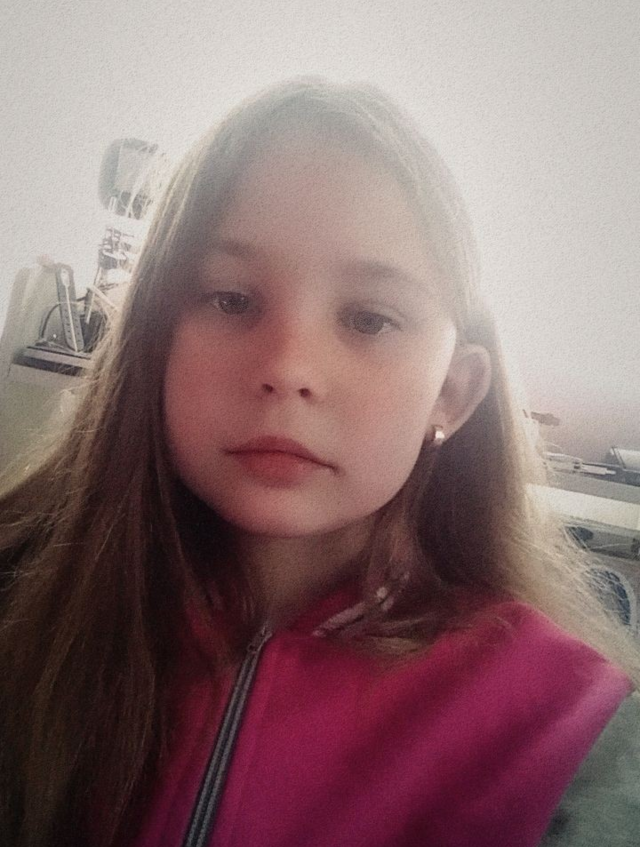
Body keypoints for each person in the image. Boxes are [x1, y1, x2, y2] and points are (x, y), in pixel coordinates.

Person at [0, 78, 638, 847]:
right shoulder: (20, 602)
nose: (289, 366)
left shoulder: (579, 737)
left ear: (452, 392)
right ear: (154, 338)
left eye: (368, 318)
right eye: (232, 299)